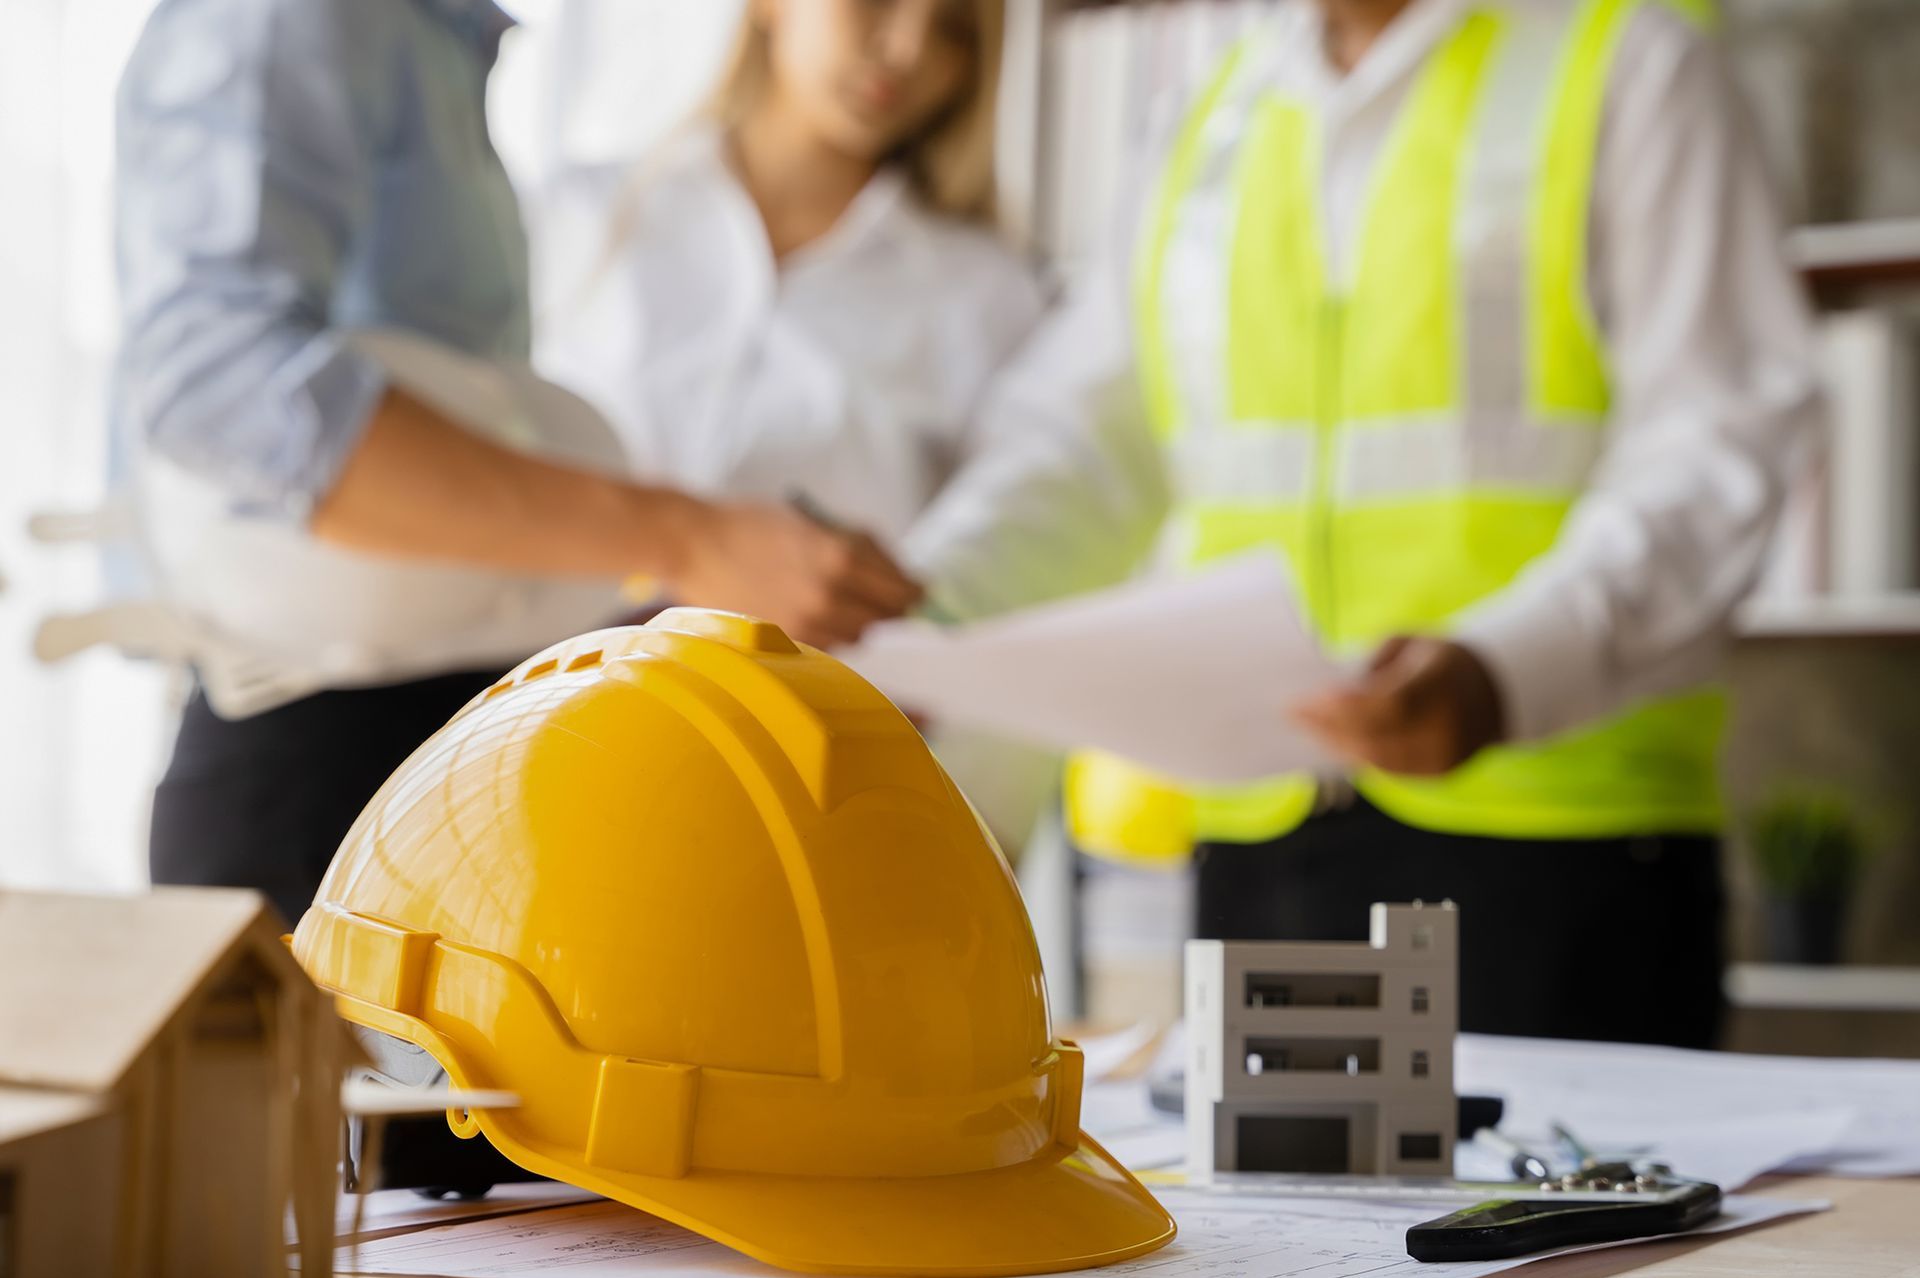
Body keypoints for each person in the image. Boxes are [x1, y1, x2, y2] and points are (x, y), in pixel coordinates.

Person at [1054, 0, 1823, 1047]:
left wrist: (1512, 663)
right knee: (1264, 1213)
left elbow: (1717, 434)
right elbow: (1081, 437)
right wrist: (916, 610)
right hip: (1260, 838)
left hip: (1559, 841)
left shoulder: (1624, 58)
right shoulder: (1209, 112)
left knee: (1569, 1215)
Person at [112, 0, 925, 925]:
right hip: (313, 768)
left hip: (460, 760)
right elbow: (225, 387)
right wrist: (690, 537)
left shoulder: (435, 43)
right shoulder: (293, 15)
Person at [532, 0, 1165, 842]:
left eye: (953, 31)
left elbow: (992, 607)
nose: (905, 49)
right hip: (541, 761)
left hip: (802, 817)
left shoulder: (984, 297)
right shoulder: (577, 221)